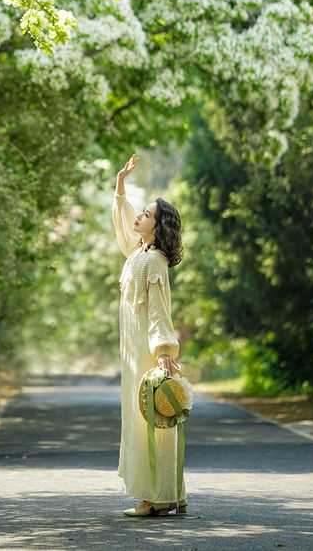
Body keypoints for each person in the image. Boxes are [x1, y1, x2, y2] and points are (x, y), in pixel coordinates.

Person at [112, 153, 187, 517]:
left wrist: (162, 349)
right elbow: (125, 226)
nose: (139, 215)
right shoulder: (137, 253)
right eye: (140, 211)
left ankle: (156, 497)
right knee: (145, 419)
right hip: (132, 350)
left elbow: (159, 308)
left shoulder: (154, 261)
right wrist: (120, 185)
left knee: (152, 419)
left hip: (146, 349)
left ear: (157, 226)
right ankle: (169, 492)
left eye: (147, 213)